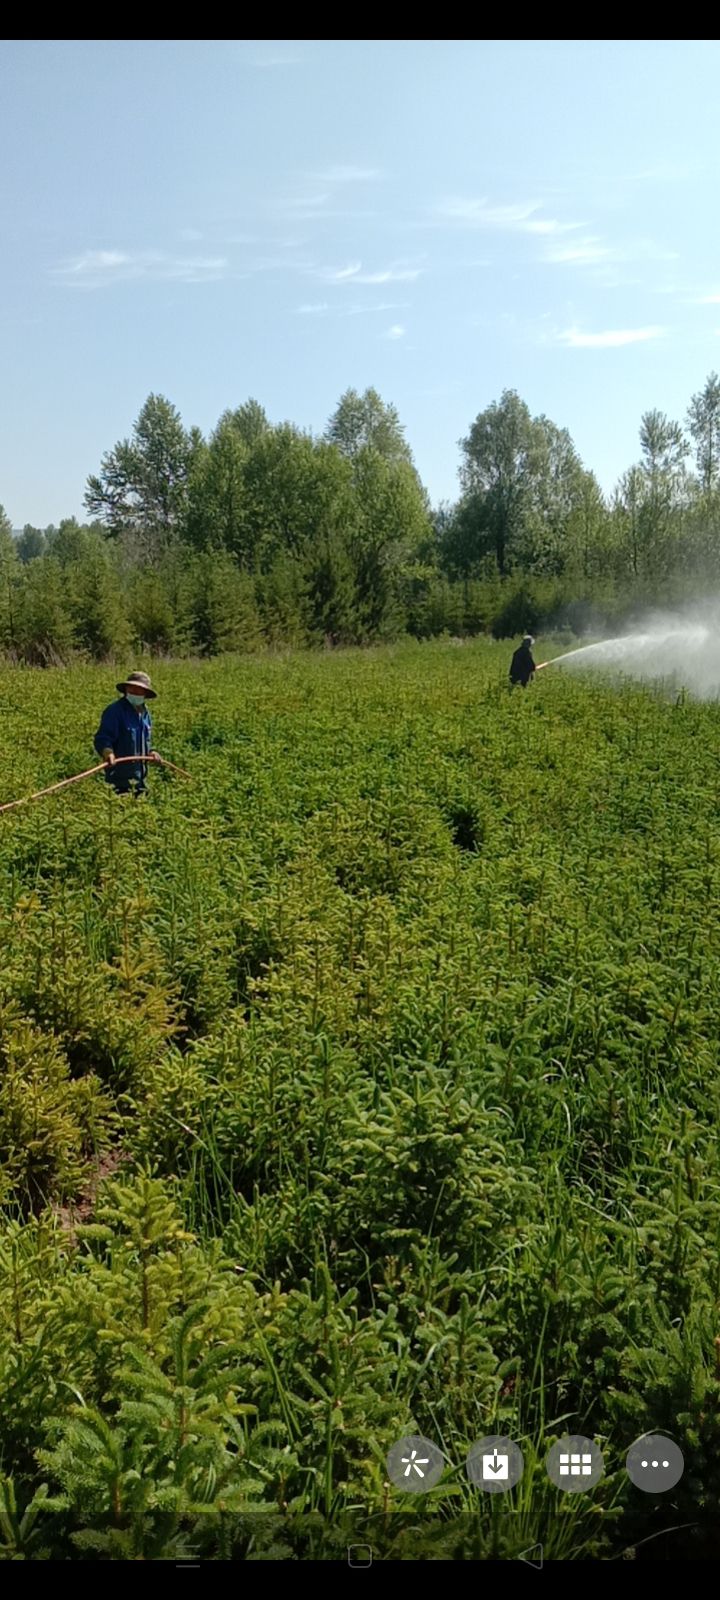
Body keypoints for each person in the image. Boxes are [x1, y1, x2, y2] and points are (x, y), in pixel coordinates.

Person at [94, 670, 158, 795]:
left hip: (140, 780)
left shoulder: (145, 714)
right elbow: (103, 738)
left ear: (145, 693)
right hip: (119, 781)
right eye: (132, 688)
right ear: (126, 689)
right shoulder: (115, 711)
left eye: (139, 689)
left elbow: (146, 740)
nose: (135, 692)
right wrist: (108, 752)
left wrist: (151, 752)